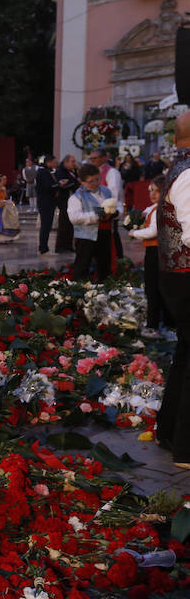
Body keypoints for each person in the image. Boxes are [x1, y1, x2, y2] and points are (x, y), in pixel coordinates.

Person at [155, 112, 190, 469]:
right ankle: (187, 447)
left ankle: (168, 430)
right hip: (186, 274)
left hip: (178, 274)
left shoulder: (179, 167)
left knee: (184, 354)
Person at [128, 175, 171, 333]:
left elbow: (153, 231)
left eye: (157, 191)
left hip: (155, 252)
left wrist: (134, 233)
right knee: (160, 288)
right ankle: (166, 322)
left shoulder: (159, 208)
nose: (152, 194)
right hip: (161, 252)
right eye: (151, 190)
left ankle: (152, 324)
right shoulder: (158, 207)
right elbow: (147, 212)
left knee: (152, 289)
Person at [67, 163, 117, 281]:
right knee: (82, 265)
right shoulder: (77, 197)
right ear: (82, 181)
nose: (95, 184)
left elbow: (113, 205)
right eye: (91, 181)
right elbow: (74, 217)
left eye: (97, 179)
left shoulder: (106, 191)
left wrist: (113, 213)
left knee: (104, 265)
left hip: (104, 233)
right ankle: (79, 290)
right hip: (86, 236)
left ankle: (104, 289)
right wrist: (96, 215)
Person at [90, 149, 125, 259]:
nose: (93, 160)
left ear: (104, 158)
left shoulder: (112, 172)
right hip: (96, 209)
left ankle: (117, 260)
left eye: (95, 158)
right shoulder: (94, 171)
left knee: (112, 236)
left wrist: (107, 211)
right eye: (92, 158)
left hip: (109, 209)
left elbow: (113, 193)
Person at [55, 155, 80, 253]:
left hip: (72, 201)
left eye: (74, 161)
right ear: (65, 162)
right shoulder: (60, 171)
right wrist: (74, 183)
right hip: (64, 201)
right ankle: (61, 246)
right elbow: (62, 184)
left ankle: (68, 245)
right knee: (63, 224)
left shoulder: (72, 171)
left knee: (70, 225)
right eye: (72, 162)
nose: (74, 164)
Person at [36, 154, 59, 256]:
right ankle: (44, 249)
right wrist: (59, 184)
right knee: (45, 226)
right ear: (49, 162)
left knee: (47, 226)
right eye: (54, 162)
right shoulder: (43, 172)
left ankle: (43, 248)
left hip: (48, 202)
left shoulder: (47, 171)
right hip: (46, 203)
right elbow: (47, 186)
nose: (56, 163)